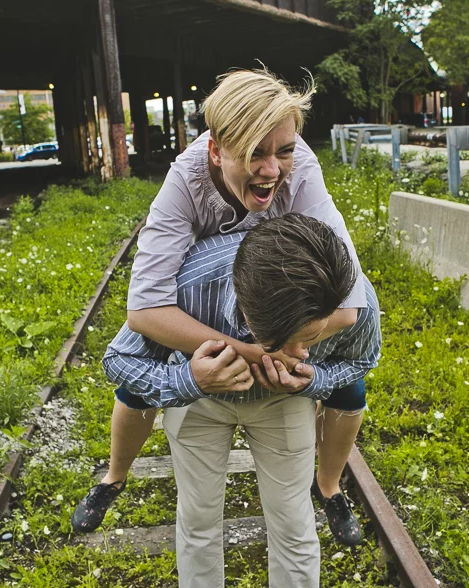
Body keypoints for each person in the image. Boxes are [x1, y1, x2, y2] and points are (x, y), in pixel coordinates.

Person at [71, 68, 371, 545]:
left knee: (349, 387)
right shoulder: (184, 183)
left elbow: (350, 297)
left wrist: (287, 348)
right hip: (204, 293)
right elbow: (145, 309)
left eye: (285, 151)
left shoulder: (302, 170)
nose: (272, 169)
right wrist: (247, 353)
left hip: (277, 297)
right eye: (255, 152)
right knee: (140, 381)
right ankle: (115, 476)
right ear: (216, 148)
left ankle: (329, 486)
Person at [102, 215, 382, 587]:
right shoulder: (189, 281)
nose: (301, 353)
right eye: (287, 342)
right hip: (200, 400)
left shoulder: (353, 297)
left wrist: (316, 381)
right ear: (247, 314)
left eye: (313, 339)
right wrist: (188, 379)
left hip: (283, 403)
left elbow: (364, 358)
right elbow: (118, 359)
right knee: (197, 520)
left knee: (294, 524)